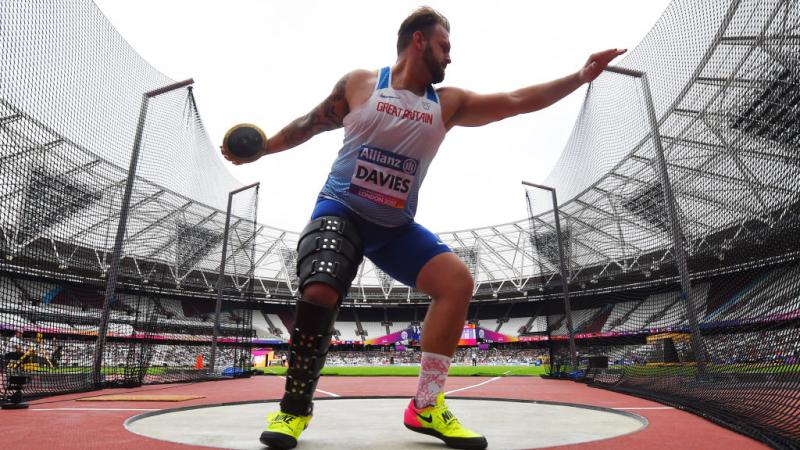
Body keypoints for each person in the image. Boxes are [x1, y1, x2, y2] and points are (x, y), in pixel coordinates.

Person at [222, 7, 623, 450]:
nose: (450, 57)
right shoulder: (360, 83)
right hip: (341, 209)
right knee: (320, 290)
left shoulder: (447, 103)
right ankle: (292, 413)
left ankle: (427, 406)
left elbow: (516, 102)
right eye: (444, 46)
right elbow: (309, 124)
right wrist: (262, 149)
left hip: (394, 227)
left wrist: (581, 75)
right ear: (418, 41)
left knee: (457, 282)